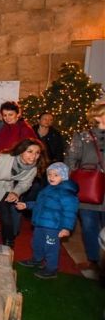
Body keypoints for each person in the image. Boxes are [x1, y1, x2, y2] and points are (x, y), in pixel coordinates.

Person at [0, 138, 46, 247]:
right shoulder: (4, 158)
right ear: (21, 151)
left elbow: (25, 183)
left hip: (3, 185)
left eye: (37, 153)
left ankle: (8, 241)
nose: (33, 156)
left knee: (5, 213)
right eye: (30, 151)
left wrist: (15, 192)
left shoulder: (32, 168)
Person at [15, 162, 79, 279]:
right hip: (40, 224)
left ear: (64, 176)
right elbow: (39, 204)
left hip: (54, 227)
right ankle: (37, 259)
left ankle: (51, 269)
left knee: (51, 248)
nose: (51, 177)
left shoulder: (67, 193)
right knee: (36, 243)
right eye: (50, 174)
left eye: (56, 175)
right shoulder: (48, 189)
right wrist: (26, 205)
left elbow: (70, 212)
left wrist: (66, 228)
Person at [65, 102, 105, 270]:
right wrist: (79, 177)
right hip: (89, 189)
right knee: (89, 226)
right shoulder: (82, 137)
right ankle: (93, 260)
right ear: (97, 116)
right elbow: (70, 160)